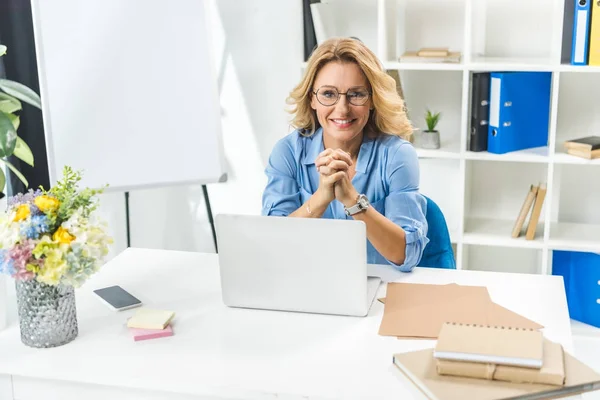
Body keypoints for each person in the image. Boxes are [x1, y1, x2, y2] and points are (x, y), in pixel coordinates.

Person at [261, 37, 429, 272]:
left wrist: (353, 201)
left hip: (377, 292)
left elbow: (407, 256)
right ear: (312, 99)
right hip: (304, 285)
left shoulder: (397, 155)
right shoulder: (288, 152)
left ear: (372, 100)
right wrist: (321, 197)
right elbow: (272, 246)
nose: (342, 108)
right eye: (328, 94)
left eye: (356, 94)